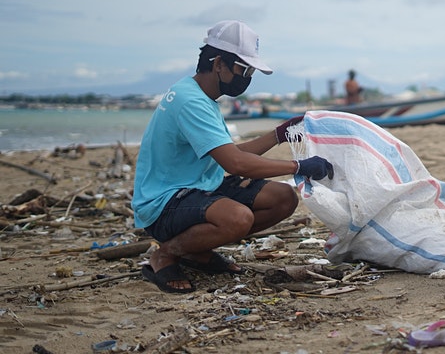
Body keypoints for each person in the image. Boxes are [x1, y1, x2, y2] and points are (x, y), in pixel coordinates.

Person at [132, 20, 334, 293]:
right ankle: (166, 254)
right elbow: (235, 164)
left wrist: (279, 134)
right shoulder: (190, 101)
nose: (247, 77)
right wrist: (298, 166)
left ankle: (196, 251)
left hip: (198, 187)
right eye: (244, 69)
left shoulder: (199, 95)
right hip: (164, 202)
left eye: (251, 70)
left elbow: (230, 153)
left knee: (283, 199)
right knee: (237, 218)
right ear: (218, 64)